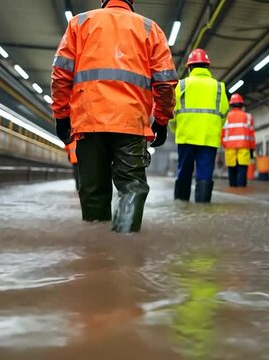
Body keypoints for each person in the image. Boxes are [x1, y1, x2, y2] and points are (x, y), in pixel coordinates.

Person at [51, 0, 177, 232]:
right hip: (131, 123)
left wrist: (61, 114)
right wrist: (161, 119)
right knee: (131, 187)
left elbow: (61, 74)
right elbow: (165, 82)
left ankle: (98, 254)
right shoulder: (150, 29)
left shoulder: (80, 23)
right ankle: (124, 246)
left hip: (89, 123)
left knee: (93, 190)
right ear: (132, 1)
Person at [169, 49, 229, 203]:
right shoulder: (219, 87)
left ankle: (181, 203)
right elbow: (223, 114)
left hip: (186, 136)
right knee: (205, 173)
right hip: (209, 138)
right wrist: (214, 127)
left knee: (184, 171)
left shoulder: (181, 85)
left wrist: (175, 129)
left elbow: (172, 112)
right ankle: (203, 205)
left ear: (190, 68)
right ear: (207, 67)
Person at [221, 94, 255, 187]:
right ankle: (241, 190)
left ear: (231, 105)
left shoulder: (226, 117)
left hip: (229, 147)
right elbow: (251, 135)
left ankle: (233, 190)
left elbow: (222, 133)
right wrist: (252, 149)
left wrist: (224, 144)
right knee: (242, 169)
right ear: (241, 104)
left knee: (231, 169)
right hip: (244, 146)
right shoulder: (248, 117)